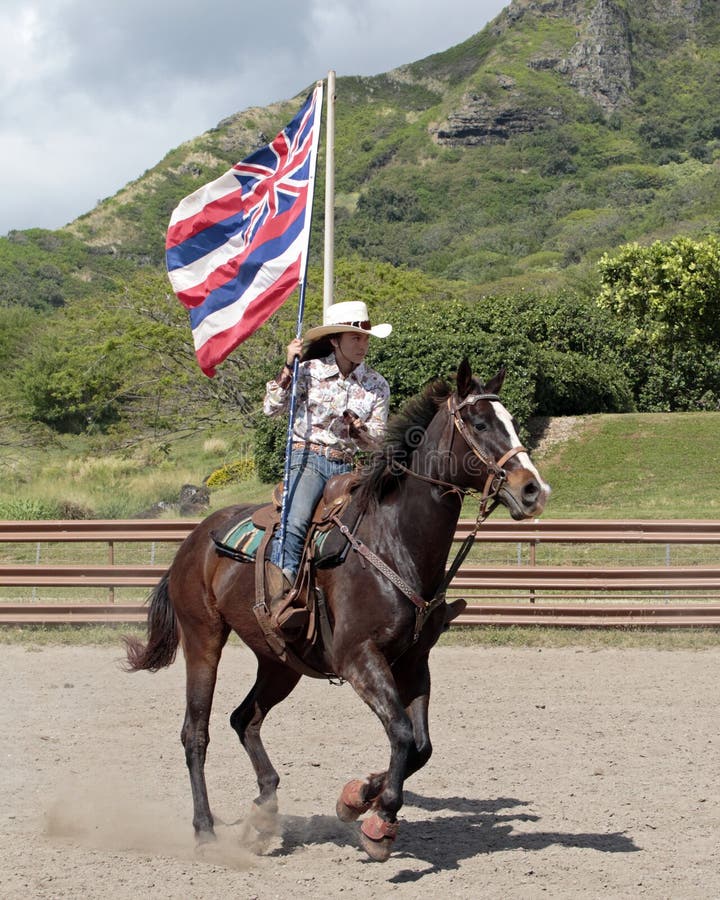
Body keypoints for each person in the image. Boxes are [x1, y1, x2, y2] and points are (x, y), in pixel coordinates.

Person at [263, 300, 392, 587]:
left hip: (348, 467)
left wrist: (360, 432)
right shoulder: (307, 371)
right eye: (355, 338)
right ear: (335, 340)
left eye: (365, 339)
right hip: (307, 459)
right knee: (295, 521)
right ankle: (281, 586)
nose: (362, 345)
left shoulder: (377, 384)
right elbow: (271, 408)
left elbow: (378, 441)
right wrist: (287, 366)